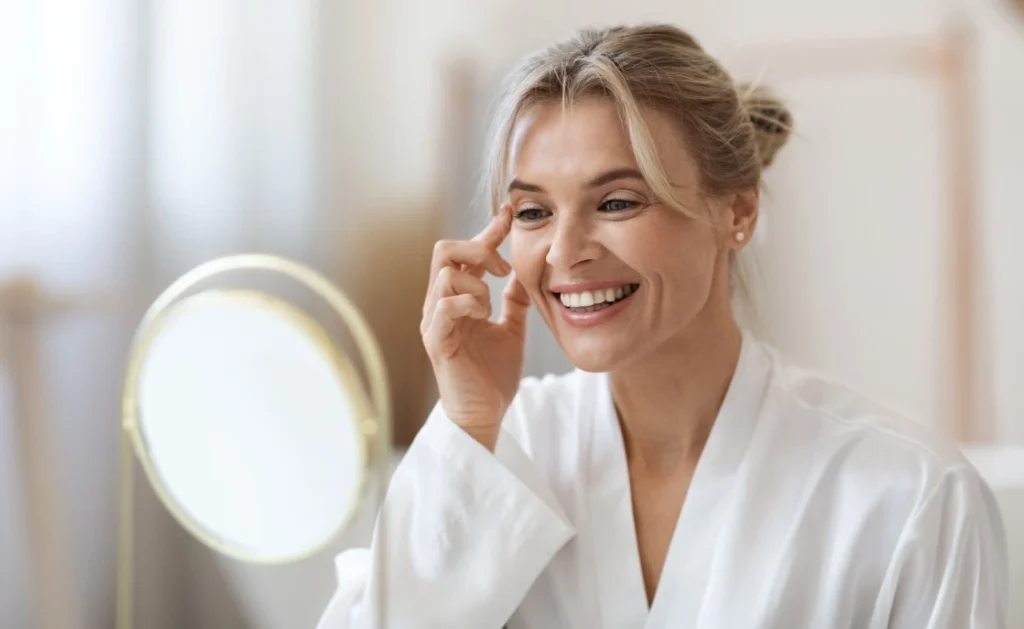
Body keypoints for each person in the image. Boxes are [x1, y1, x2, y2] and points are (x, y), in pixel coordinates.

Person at [316, 23, 1008, 628]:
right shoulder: (495, 453)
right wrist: (468, 422)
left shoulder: (910, 497)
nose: (563, 253)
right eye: (533, 212)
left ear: (738, 212)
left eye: (617, 202)